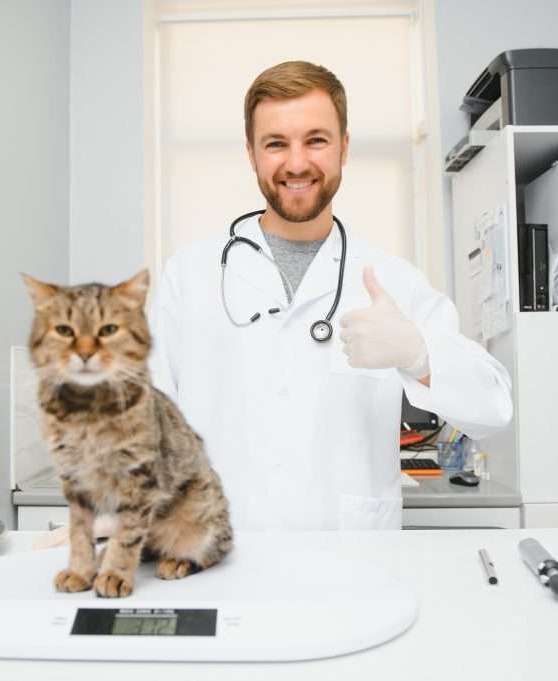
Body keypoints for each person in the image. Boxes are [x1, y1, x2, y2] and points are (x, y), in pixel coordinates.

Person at [148, 61, 512, 531]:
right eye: (276, 143)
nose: (296, 163)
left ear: (344, 148)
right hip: (217, 553)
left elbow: (493, 410)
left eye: (316, 140)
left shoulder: (393, 282)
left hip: (351, 562)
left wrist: (419, 354)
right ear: (251, 154)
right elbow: (145, 426)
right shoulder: (189, 276)